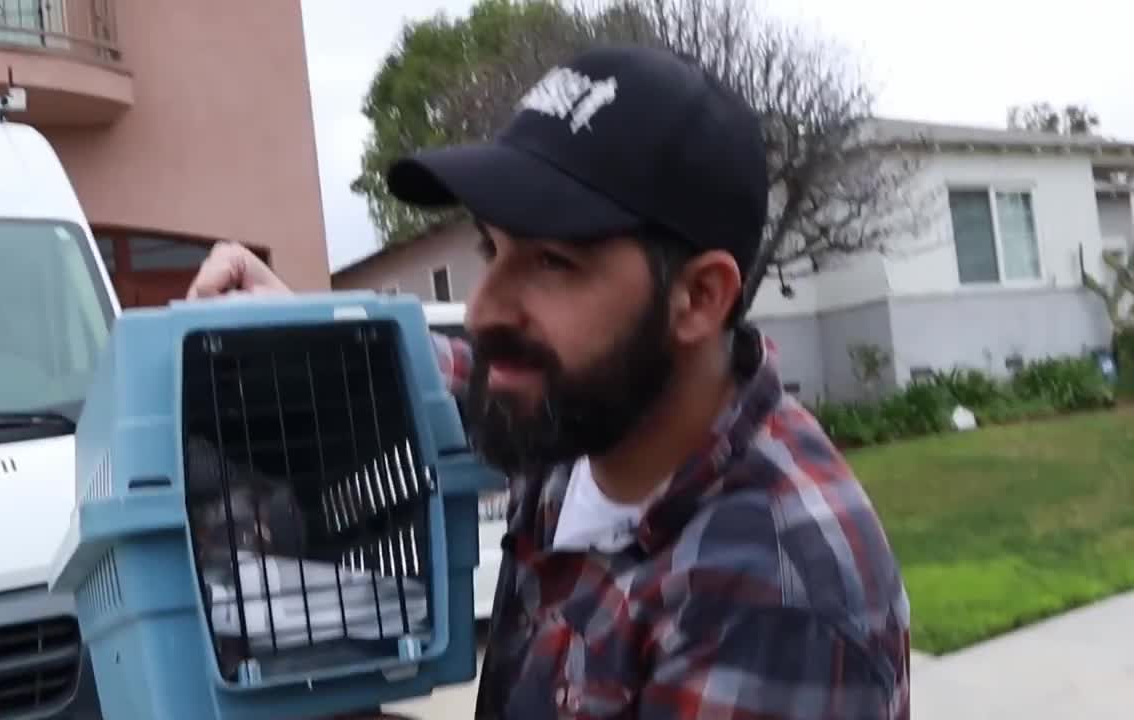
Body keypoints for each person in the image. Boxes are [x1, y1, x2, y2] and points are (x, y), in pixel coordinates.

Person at [200, 44, 911, 719]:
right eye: (492, 248)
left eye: (553, 264)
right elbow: (440, 376)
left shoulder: (773, 604)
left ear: (697, 298)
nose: (481, 309)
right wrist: (296, 327)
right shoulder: (594, 405)